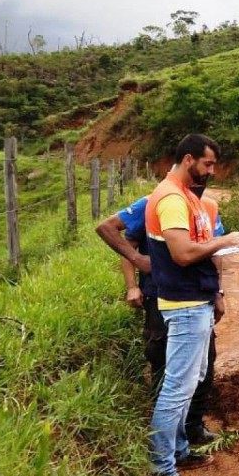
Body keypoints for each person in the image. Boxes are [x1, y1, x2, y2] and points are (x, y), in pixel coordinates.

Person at [145, 134, 239, 476]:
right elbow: (182, 253)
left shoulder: (186, 197)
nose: (212, 171)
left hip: (195, 301)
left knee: (189, 380)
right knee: (177, 388)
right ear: (189, 158)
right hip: (184, 304)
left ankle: (178, 450)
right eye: (208, 164)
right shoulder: (172, 198)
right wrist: (226, 242)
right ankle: (162, 472)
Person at [95, 177, 225, 446]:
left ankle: (192, 427)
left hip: (198, 298)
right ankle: (164, 443)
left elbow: (215, 254)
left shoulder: (207, 207)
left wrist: (218, 293)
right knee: (163, 362)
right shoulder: (155, 203)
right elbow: (122, 239)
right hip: (160, 296)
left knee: (204, 363)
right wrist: (133, 283)